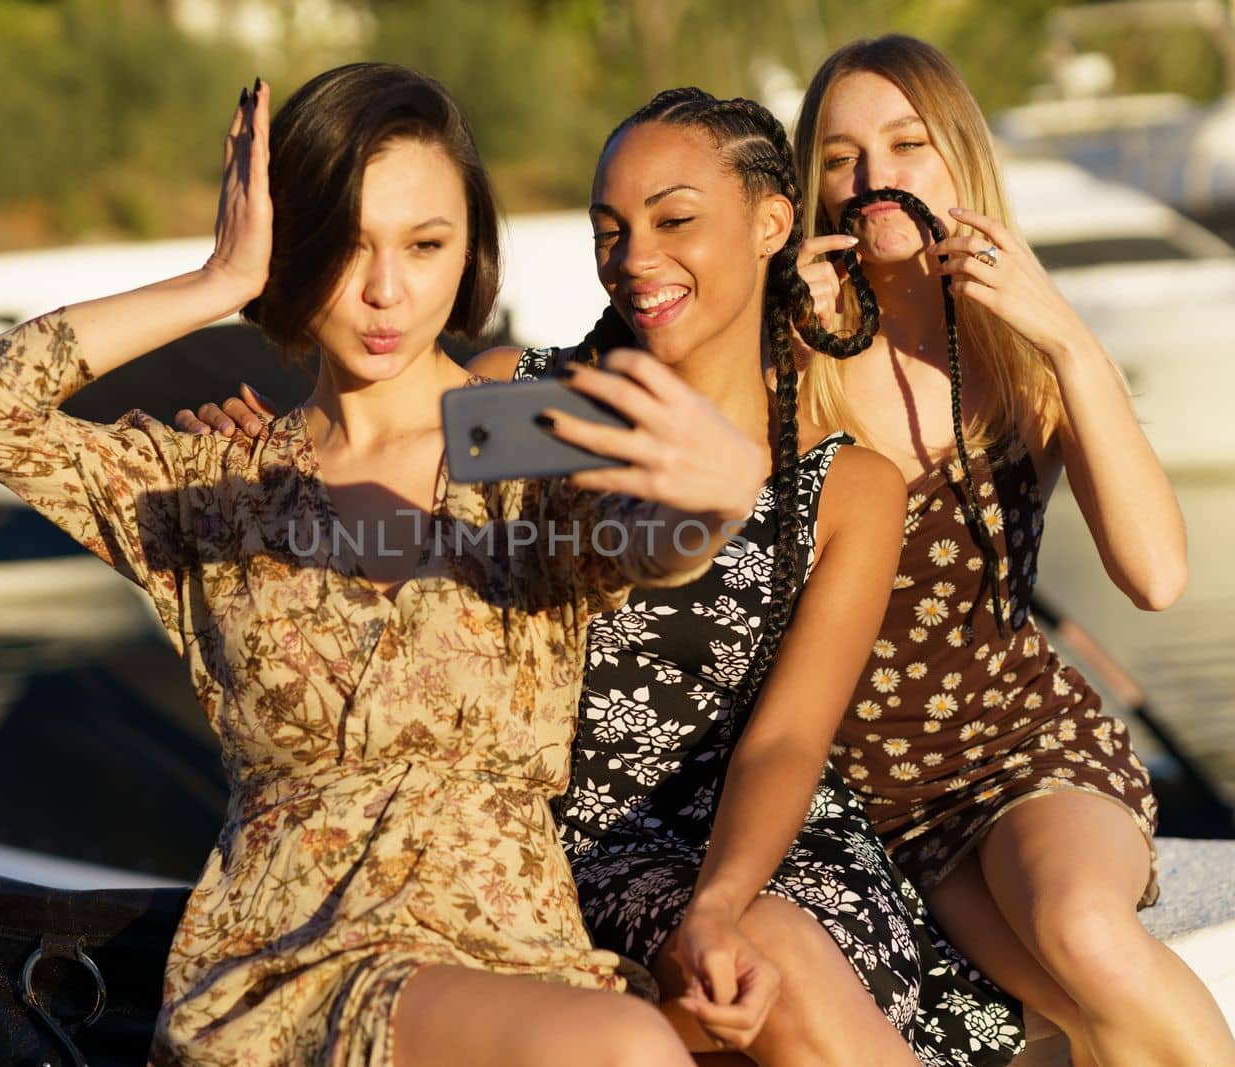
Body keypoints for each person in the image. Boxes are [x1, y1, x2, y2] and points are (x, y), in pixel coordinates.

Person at [0, 63, 776, 1067]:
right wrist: (219, 281)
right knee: (623, 1051)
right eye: (347, 245)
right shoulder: (206, 490)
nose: (385, 290)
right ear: (297, 248)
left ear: (469, 254)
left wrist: (715, 502)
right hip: (292, 973)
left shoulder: (533, 441)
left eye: (424, 244)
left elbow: (644, 543)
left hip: (518, 961)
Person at [178, 86, 1025, 1067]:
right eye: (610, 230)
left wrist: (716, 897)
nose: (635, 259)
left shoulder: (846, 487)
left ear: (770, 222)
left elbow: (789, 737)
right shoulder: (511, 405)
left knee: (776, 946)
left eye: (674, 220)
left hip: (757, 851)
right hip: (530, 854)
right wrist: (262, 455)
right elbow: (365, 463)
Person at [787, 33, 1235, 1067]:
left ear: (957, 161)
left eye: (906, 144)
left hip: (1023, 749)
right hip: (869, 796)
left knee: (1084, 935)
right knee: (1077, 1016)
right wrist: (777, 359)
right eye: (839, 156)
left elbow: (1157, 575)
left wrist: (1068, 339)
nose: (873, 179)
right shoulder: (789, 357)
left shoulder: (1021, 352)